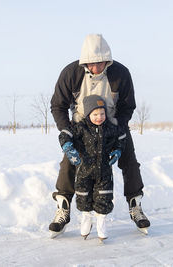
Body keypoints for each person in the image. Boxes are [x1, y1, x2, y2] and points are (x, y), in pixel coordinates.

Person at [49, 33, 150, 238]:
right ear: (85, 61)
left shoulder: (121, 73)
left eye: (101, 63)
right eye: (92, 64)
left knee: (129, 161)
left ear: (108, 59)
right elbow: (58, 106)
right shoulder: (71, 73)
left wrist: (118, 133)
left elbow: (127, 107)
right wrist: (67, 134)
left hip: (113, 126)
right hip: (82, 128)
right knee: (68, 164)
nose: (97, 68)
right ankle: (63, 208)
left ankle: (135, 204)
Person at [58, 95, 126, 240]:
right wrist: (68, 147)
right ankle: (86, 218)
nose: (99, 117)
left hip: (104, 171)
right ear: (88, 114)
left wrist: (118, 150)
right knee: (83, 197)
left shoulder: (110, 128)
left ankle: (101, 222)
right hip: (84, 171)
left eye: (102, 113)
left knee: (104, 197)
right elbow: (65, 134)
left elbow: (122, 136)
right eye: (95, 114)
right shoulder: (81, 127)